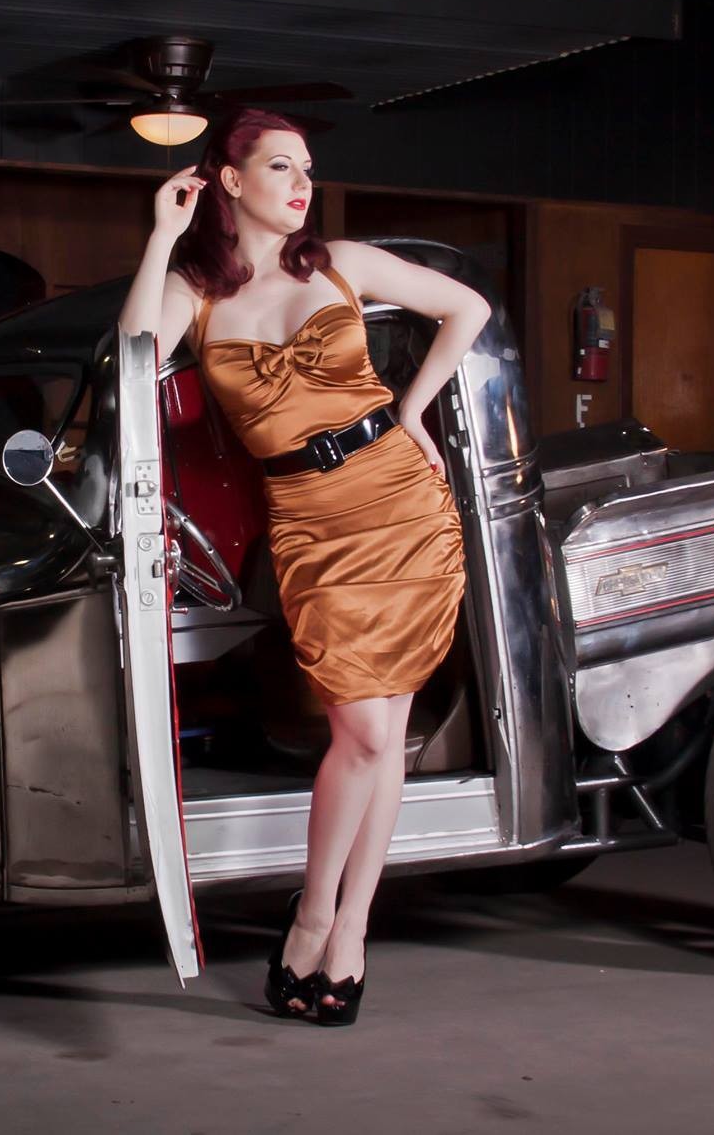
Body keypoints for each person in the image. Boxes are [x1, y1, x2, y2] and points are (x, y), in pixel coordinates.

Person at [116, 108, 488, 1026]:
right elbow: (132, 362)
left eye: (309, 169)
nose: (301, 183)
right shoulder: (196, 291)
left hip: (399, 502)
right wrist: (162, 237)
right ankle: (314, 913)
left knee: (380, 733)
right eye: (281, 167)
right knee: (362, 732)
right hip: (312, 524)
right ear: (230, 181)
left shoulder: (344, 263)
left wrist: (411, 411)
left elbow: (468, 308)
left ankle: (345, 928)